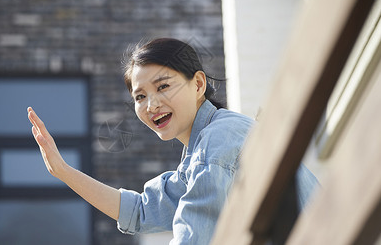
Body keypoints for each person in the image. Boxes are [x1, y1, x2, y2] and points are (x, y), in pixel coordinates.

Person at [27, 38, 318, 244]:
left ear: (199, 84)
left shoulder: (217, 143)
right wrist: (63, 171)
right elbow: (141, 210)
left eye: (163, 86)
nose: (151, 104)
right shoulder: (201, 152)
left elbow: (193, 236)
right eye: (140, 97)